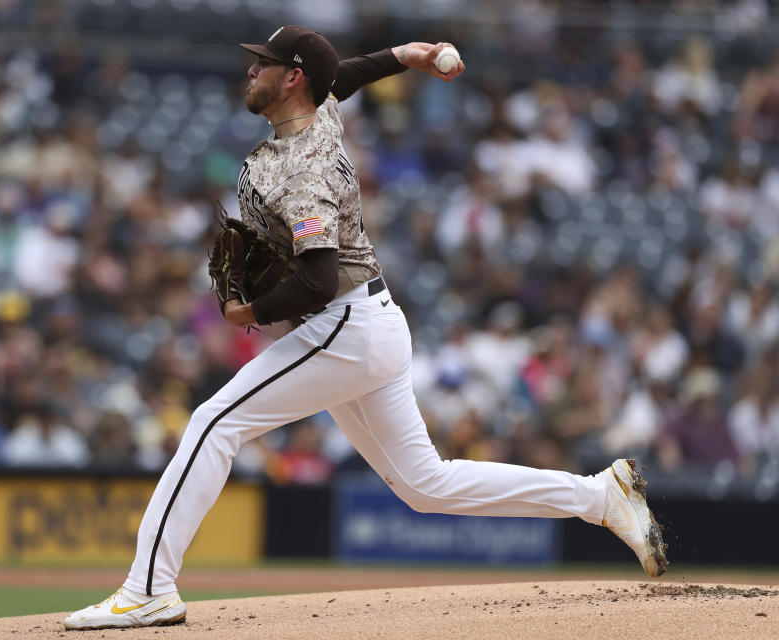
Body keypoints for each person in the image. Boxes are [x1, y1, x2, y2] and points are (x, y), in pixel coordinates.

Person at [64, 26, 667, 631]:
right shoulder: (319, 110)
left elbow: (318, 279)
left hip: (344, 323)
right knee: (425, 485)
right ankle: (599, 497)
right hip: (370, 324)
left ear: (293, 78)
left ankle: (148, 587)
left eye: (264, 64)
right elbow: (341, 77)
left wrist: (249, 312)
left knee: (213, 422)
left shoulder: (301, 170)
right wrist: (406, 56)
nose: (251, 71)